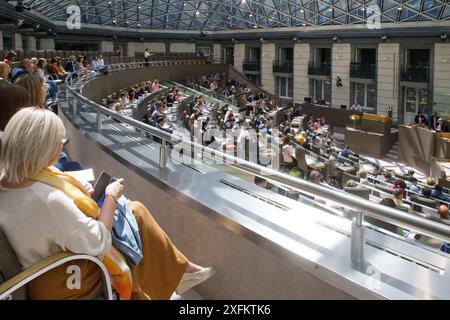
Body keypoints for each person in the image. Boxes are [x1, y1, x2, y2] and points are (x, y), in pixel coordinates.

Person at [0, 107, 214, 300]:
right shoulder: (48, 200)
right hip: (64, 280)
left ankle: (180, 271)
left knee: (135, 213)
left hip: (38, 275)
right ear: (44, 148)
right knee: (131, 224)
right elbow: (99, 241)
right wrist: (111, 195)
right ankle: (174, 275)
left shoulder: (9, 181)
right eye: (59, 142)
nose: (61, 148)